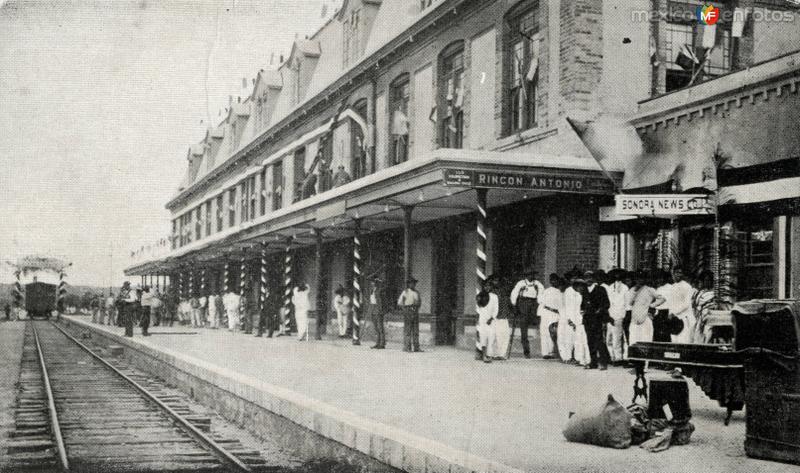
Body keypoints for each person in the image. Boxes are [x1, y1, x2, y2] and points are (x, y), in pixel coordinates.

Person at [510, 268, 545, 358]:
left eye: (532, 274)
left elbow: (541, 294)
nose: (531, 276)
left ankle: (544, 350)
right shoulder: (521, 283)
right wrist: (514, 305)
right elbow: (514, 293)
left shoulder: (537, 284)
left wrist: (539, 303)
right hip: (523, 304)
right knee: (523, 327)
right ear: (526, 276)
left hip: (533, 305)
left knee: (537, 322)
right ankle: (526, 351)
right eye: (529, 274)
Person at [583, 271, 611, 370]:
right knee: (590, 341)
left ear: (593, 279)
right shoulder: (583, 290)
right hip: (587, 319)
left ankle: (603, 362)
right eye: (586, 278)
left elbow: (607, 303)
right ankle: (593, 362)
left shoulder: (600, 289)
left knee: (599, 341)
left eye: (590, 277)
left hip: (598, 319)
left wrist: (600, 310)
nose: (588, 280)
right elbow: (582, 304)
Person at [628, 272, 665, 346]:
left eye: (641, 278)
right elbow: (630, 303)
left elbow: (662, 299)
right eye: (637, 279)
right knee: (633, 342)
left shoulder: (649, 290)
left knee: (646, 341)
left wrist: (652, 305)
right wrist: (635, 292)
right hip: (635, 318)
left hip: (645, 317)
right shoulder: (632, 289)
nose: (639, 280)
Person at [605, 269, 629, 365]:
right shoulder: (610, 288)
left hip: (620, 315)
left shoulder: (625, 288)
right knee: (609, 339)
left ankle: (619, 358)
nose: (617, 277)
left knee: (617, 339)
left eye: (619, 275)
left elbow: (626, 303)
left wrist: (623, 315)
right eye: (615, 275)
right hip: (610, 315)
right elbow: (608, 302)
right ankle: (612, 356)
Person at [537, 273, 563, 359]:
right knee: (544, 332)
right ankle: (545, 352)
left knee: (552, 332)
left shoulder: (559, 292)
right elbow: (540, 301)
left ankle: (551, 351)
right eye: (553, 280)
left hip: (554, 313)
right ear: (551, 281)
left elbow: (560, 306)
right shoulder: (546, 291)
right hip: (546, 312)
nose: (555, 282)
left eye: (556, 280)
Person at [488, 275, 512, 360]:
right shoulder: (491, 293)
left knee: (504, 336)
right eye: (494, 281)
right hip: (495, 318)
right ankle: (494, 354)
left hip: (504, 317)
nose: (496, 282)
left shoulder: (504, 292)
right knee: (495, 336)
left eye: (497, 281)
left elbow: (508, 304)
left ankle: (501, 354)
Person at [670, 267, 696, 344]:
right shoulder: (672, 286)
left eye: (680, 273)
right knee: (674, 342)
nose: (678, 275)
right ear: (673, 274)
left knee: (684, 342)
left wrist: (674, 312)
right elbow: (671, 303)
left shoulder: (687, 286)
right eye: (676, 273)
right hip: (674, 320)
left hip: (685, 318)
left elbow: (686, 304)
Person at [558, 273, 578, 363]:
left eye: (576, 278)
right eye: (572, 278)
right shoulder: (567, 291)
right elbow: (566, 306)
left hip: (577, 315)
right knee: (566, 337)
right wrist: (569, 318)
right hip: (566, 316)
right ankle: (566, 357)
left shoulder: (579, 290)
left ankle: (575, 357)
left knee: (575, 337)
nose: (574, 280)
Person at [397, 277, 421, 352]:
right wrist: (405, 310)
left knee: (416, 330)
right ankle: (407, 347)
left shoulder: (417, 292)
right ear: (408, 284)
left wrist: (416, 308)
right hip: (408, 311)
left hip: (415, 311)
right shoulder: (405, 292)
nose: (413, 285)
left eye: (414, 283)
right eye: (411, 283)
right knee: (408, 330)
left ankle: (416, 347)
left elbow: (419, 302)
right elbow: (400, 302)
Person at [475, 284, 498, 363]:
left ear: (491, 287)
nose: (487, 287)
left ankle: (489, 355)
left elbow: (496, 309)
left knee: (491, 337)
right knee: (483, 337)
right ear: (483, 287)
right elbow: (479, 308)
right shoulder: (480, 295)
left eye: (489, 286)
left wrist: (491, 318)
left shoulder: (494, 297)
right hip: (482, 320)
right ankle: (484, 355)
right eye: (485, 286)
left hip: (491, 320)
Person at [691, 271, 716, 343]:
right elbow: (696, 305)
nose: (707, 282)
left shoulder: (714, 293)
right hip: (699, 317)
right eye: (705, 280)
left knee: (708, 332)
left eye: (709, 280)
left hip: (709, 317)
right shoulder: (700, 292)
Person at [652, 270, 674, 343]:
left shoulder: (670, 287)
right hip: (658, 314)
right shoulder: (658, 288)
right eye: (658, 278)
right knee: (657, 337)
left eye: (661, 278)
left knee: (666, 336)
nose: (659, 280)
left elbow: (666, 301)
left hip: (666, 313)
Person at [368, 277, 386, 349]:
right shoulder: (372, 291)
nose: (372, 283)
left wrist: (381, 310)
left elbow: (382, 301)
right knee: (376, 328)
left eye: (374, 282)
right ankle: (377, 342)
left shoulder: (379, 291)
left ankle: (382, 343)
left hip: (378, 310)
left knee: (380, 327)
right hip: (373, 309)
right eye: (372, 282)